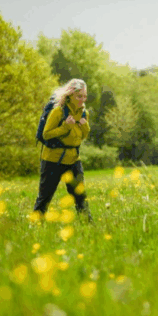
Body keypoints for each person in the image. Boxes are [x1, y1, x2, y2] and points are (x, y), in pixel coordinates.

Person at [33, 79, 92, 221]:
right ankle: (35, 224)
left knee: (80, 196)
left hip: (73, 160)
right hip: (52, 160)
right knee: (45, 197)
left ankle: (88, 224)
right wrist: (65, 127)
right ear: (70, 95)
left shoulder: (84, 113)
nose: (82, 100)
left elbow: (82, 136)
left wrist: (84, 126)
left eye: (84, 96)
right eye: (79, 96)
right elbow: (46, 134)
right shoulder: (58, 112)